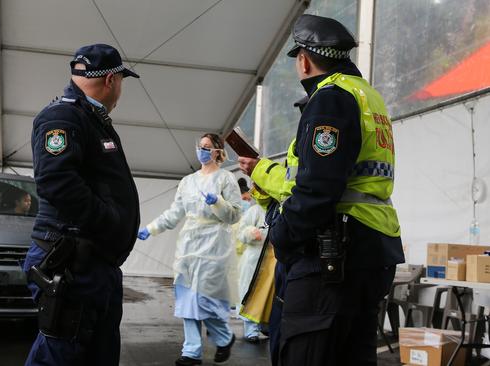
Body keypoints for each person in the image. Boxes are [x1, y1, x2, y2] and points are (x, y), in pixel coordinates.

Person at [239, 14, 404, 365]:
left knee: (304, 352)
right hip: (371, 247)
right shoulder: (368, 97)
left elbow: (317, 186)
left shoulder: (331, 98)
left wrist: (284, 236)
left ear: (303, 59)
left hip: (330, 255)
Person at [22, 44, 140, 366]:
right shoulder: (62, 116)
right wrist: (110, 222)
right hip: (73, 263)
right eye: (122, 83)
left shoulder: (91, 119)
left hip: (94, 262)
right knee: (60, 354)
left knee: (96, 354)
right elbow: (57, 182)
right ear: (112, 80)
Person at [137, 133, 241, 366]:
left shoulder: (226, 179)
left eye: (207, 147)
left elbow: (234, 215)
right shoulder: (188, 182)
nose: (201, 151)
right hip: (189, 246)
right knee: (186, 299)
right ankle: (191, 352)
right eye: (199, 147)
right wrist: (151, 228)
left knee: (205, 301)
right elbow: (175, 213)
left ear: (217, 151)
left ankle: (224, 337)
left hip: (215, 245)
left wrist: (218, 202)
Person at [235, 200, 269, 343]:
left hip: (273, 259)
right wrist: (251, 233)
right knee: (250, 292)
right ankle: (251, 330)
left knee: (269, 294)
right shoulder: (255, 210)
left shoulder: (280, 209)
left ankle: (266, 325)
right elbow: (240, 232)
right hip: (254, 259)